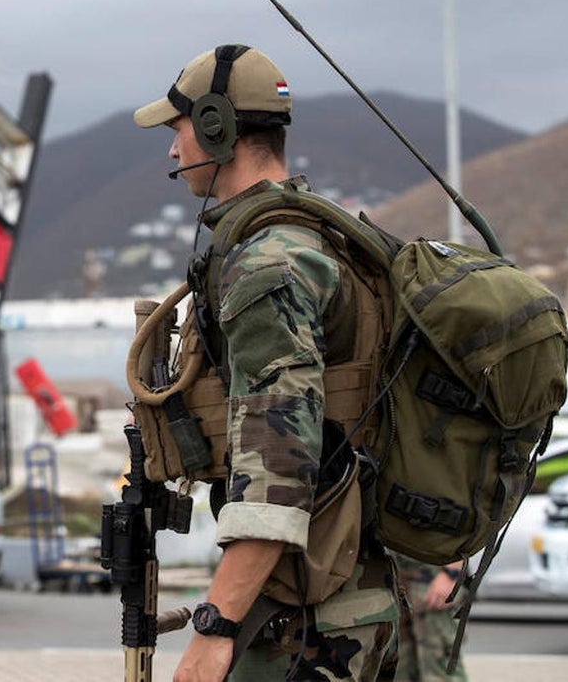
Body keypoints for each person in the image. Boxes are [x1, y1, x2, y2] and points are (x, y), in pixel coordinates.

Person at [133, 45, 398, 681]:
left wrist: (215, 628)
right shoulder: (315, 237)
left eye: (181, 128)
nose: (173, 150)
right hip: (344, 597)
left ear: (219, 127)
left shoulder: (266, 267)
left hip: (305, 621)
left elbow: (279, 459)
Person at [391, 554, 468, 682]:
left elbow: (463, 538)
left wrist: (451, 574)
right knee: (401, 666)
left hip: (432, 581)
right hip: (398, 579)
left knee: (439, 668)